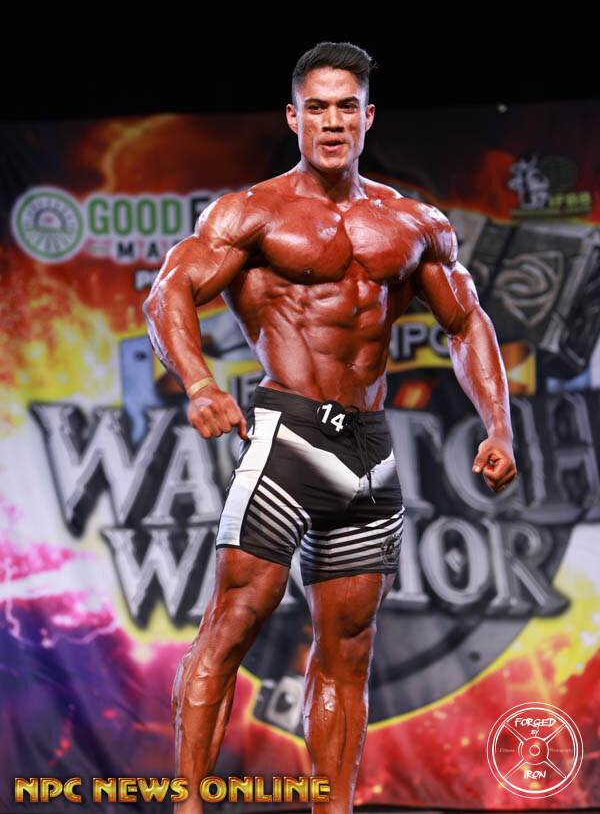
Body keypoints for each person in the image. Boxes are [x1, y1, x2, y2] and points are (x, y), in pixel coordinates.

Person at [143, 41, 517, 813]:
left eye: (348, 106)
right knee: (233, 625)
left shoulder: (413, 222)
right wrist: (201, 384)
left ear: (369, 117)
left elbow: (466, 323)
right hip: (287, 436)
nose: (333, 121)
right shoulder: (252, 213)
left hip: (368, 449)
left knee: (348, 653)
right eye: (318, 107)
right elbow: (167, 294)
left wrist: (499, 428)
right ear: (294, 117)